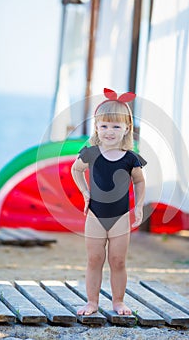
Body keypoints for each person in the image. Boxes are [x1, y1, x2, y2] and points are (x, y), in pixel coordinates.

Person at [71, 88, 147, 316]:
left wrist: (140, 205)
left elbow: (139, 182)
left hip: (120, 216)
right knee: (94, 259)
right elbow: (76, 170)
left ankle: (118, 302)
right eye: (104, 126)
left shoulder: (130, 158)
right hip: (95, 215)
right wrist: (85, 193)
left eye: (116, 126)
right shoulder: (91, 152)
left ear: (126, 129)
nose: (109, 131)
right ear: (96, 127)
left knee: (118, 261)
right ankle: (92, 302)